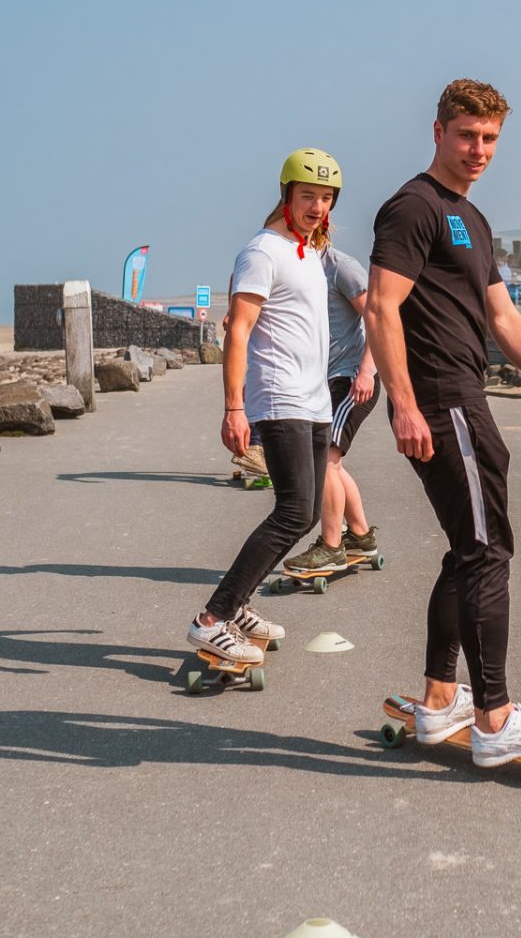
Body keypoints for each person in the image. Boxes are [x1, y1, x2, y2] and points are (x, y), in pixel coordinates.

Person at [366, 79, 521, 767]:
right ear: (438, 132)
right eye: (467, 136)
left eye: (490, 138)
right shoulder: (414, 208)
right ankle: (493, 716)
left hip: (467, 398)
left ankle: (440, 700)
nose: (479, 150)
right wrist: (404, 404)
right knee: (488, 552)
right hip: (443, 401)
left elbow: (502, 316)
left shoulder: (470, 216)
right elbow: (380, 306)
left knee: (468, 549)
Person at [188, 148, 345, 668]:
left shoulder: (307, 252)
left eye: (326, 198)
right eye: (308, 196)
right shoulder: (263, 251)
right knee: (295, 513)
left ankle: (238, 607)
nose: (318, 207)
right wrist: (234, 408)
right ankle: (213, 618)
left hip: (315, 398)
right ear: (285, 196)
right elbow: (239, 331)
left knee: (299, 512)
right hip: (279, 397)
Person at [282, 244, 381, 575]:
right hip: (325, 383)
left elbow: (377, 319)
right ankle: (361, 536)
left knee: (324, 460)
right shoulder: (298, 267)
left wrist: (367, 371)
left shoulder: (340, 266)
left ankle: (331, 546)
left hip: (352, 379)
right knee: (332, 464)